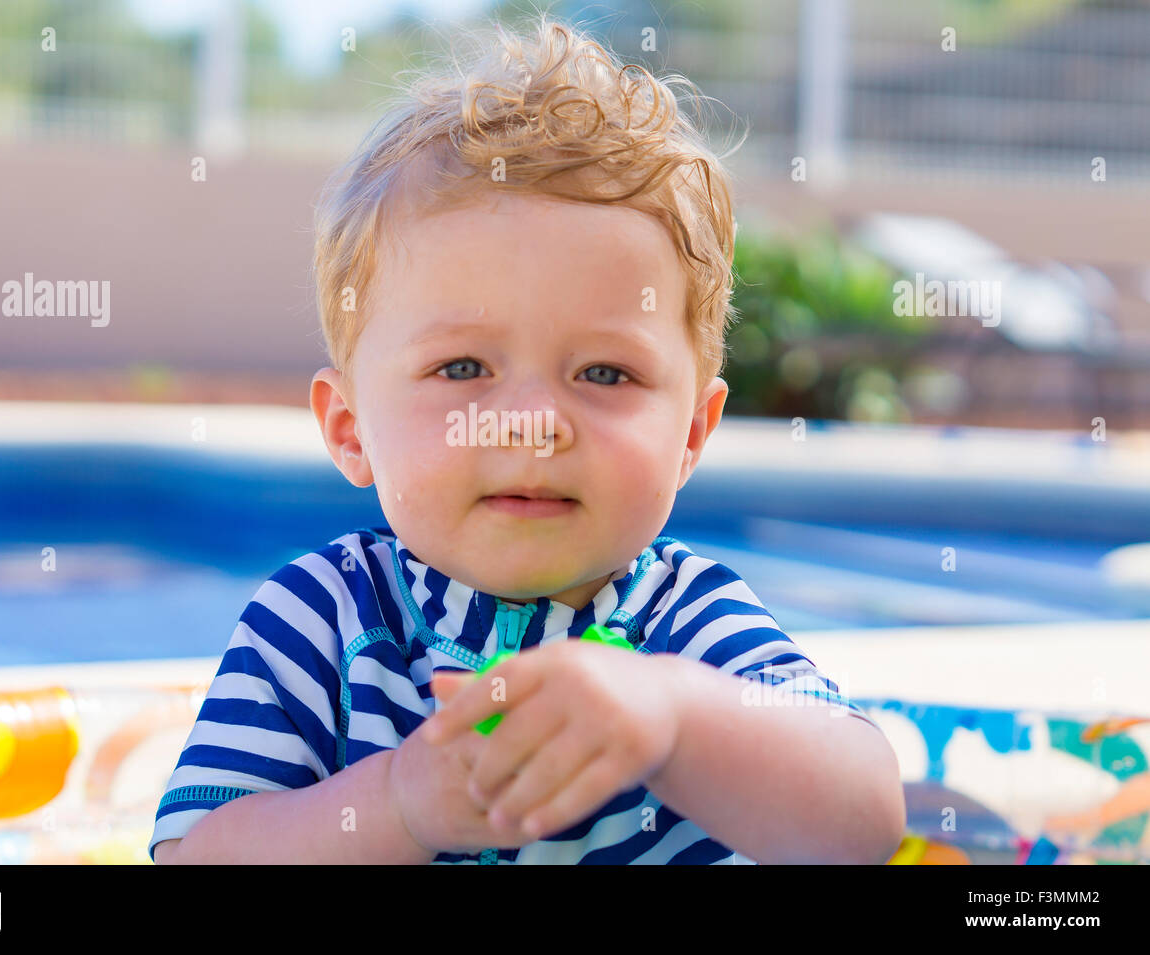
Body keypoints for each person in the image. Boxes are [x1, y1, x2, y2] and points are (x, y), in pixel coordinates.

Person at [151, 13, 905, 865]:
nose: (533, 422)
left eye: (606, 374)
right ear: (350, 428)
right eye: (464, 367)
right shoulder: (321, 623)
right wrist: (400, 803)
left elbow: (863, 826)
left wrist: (673, 716)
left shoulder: (689, 625)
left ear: (692, 434)